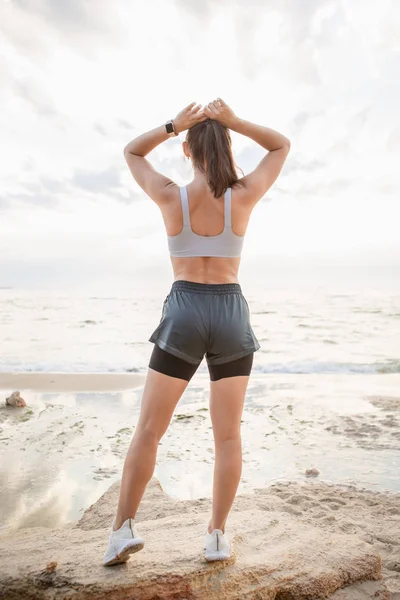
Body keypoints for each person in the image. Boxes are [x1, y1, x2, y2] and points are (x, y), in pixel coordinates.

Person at [103, 98, 291, 566]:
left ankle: (122, 532)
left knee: (149, 429)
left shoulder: (171, 196)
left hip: (185, 308)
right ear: (227, 144)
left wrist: (172, 125)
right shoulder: (243, 195)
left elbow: (131, 152)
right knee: (227, 436)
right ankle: (216, 537)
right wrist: (236, 121)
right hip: (230, 312)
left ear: (187, 150)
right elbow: (281, 145)